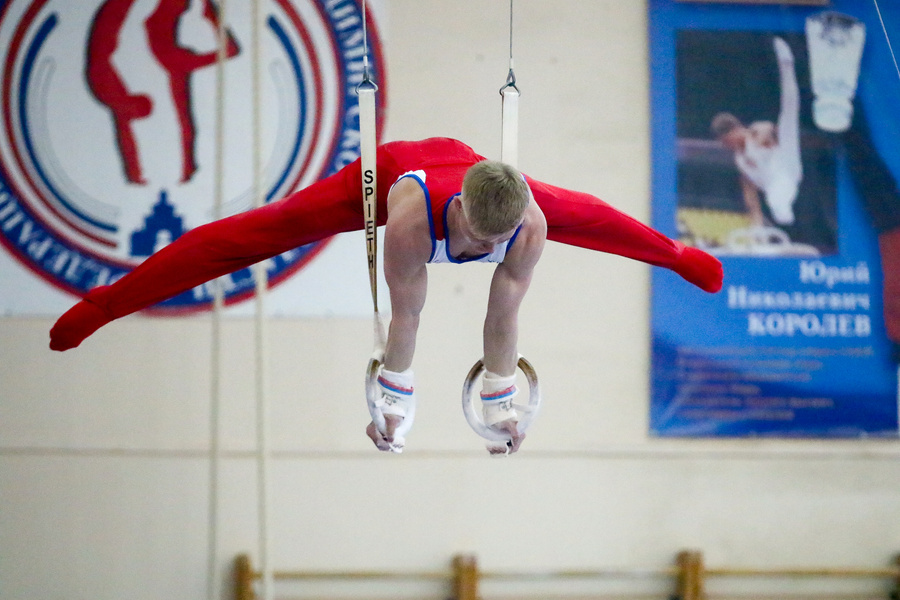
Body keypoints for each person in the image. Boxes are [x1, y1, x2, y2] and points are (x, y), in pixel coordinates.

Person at [48, 137, 724, 453]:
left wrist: (500, 404)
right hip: (390, 175)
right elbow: (405, 320)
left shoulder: (527, 222)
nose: (474, 255)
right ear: (458, 211)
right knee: (251, 235)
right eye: (469, 241)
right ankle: (107, 302)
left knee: (597, 217)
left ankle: (683, 255)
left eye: (493, 245)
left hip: (493, 181)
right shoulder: (408, 226)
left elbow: (503, 316)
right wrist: (393, 406)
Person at [710, 37, 803, 229]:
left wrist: (763, 135)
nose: (727, 146)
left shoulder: (754, 131)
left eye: (727, 141)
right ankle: (780, 210)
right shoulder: (739, 160)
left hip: (786, 164)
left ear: (735, 130)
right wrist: (756, 221)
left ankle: (786, 63)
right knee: (775, 200)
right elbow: (749, 192)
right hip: (774, 186)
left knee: (789, 112)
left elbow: (767, 128)